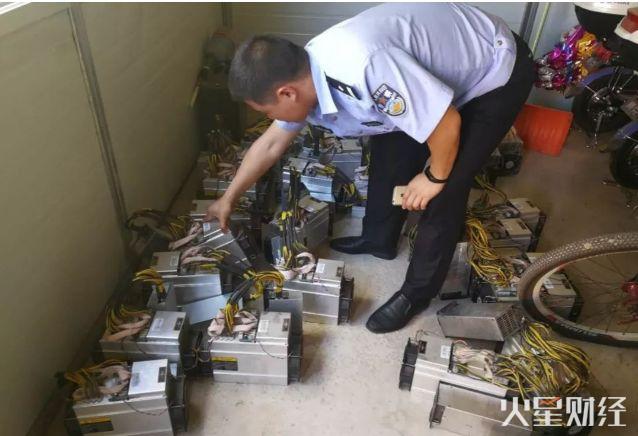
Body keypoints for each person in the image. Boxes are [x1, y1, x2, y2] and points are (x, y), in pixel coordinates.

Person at [205, 3, 535, 333]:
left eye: (266, 111)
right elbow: (270, 144)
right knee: (390, 152)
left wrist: (433, 177)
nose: (269, 118)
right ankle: (379, 238)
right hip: (430, 67)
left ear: (286, 93)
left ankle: (417, 293)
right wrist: (228, 198)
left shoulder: (364, 68)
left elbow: (446, 124)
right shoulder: (306, 75)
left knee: (446, 190)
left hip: (493, 68)